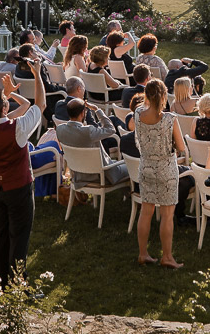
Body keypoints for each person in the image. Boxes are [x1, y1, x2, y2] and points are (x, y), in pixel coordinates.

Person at [0, 70, 46, 288]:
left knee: (0, 233)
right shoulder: (18, 128)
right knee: (19, 237)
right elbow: (40, 105)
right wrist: (37, 75)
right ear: (5, 108)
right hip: (18, 187)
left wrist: (4, 93)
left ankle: (0, 279)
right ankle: (17, 285)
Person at [134, 79, 185, 268]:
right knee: (167, 215)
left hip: (145, 166)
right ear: (164, 96)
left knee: (146, 212)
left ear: (146, 94)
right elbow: (180, 146)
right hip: (166, 169)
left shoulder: (138, 113)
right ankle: (167, 257)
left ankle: (143, 253)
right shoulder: (170, 119)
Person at [56, 98, 128, 185]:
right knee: (132, 166)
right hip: (101, 175)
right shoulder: (88, 131)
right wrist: (97, 110)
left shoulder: (60, 129)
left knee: (118, 163)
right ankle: (132, 195)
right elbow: (111, 129)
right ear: (83, 113)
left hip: (79, 175)